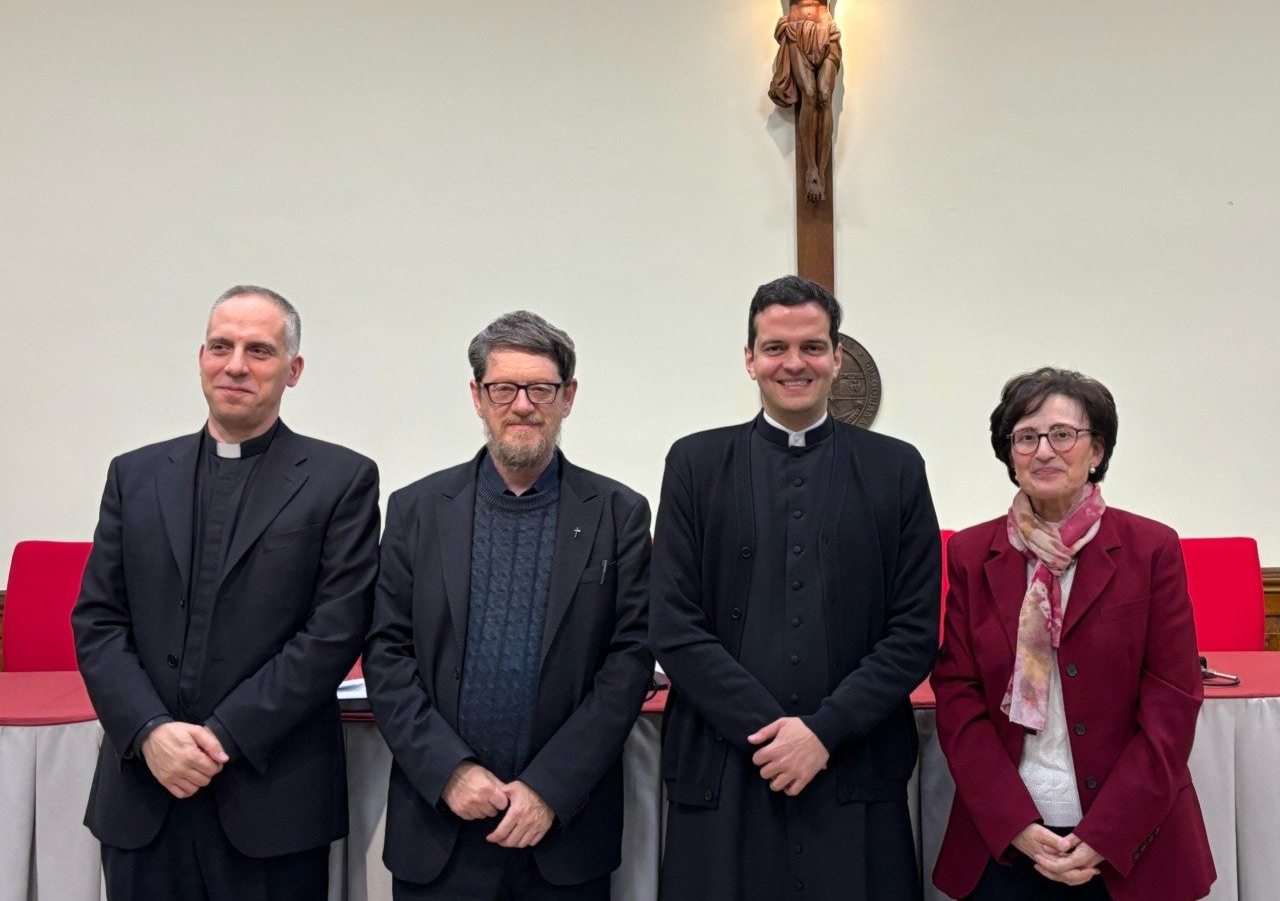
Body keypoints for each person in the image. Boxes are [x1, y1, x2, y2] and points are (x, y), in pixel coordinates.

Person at [71, 285, 380, 900]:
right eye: (221, 346)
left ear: (293, 371)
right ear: (201, 356)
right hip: (143, 792)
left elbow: (333, 632)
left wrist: (223, 737)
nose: (235, 364)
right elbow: (99, 621)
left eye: (259, 350)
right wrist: (150, 731)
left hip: (272, 796)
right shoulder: (134, 475)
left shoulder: (341, 480)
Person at [650, 275, 940, 901]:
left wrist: (822, 733)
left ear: (838, 357)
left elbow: (914, 632)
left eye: (812, 347)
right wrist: (774, 735)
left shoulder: (897, 468)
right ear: (750, 360)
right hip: (725, 767)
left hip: (854, 768)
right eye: (775, 347)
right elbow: (673, 623)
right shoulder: (694, 464)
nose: (794, 363)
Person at [364, 310, 653, 900]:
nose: (522, 404)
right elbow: (386, 654)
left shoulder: (618, 514)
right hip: (439, 826)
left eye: (540, 388)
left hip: (563, 830)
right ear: (477, 396)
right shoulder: (416, 510)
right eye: (503, 388)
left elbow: (628, 663)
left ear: (567, 397)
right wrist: (450, 772)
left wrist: (550, 787)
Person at [932, 367, 1215, 901]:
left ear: (1097, 451)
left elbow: (1172, 702)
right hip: (1006, 839)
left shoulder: (1150, 549)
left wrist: (1107, 833)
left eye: (1063, 434)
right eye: (1025, 436)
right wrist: (1011, 820)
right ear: (1009, 454)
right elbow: (958, 696)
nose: (1044, 451)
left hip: (1132, 841)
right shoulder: (972, 554)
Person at [698, 0, 918, 201]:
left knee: (826, 95)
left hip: (826, 30)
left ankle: (822, 167)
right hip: (797, 32)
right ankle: (811, 169)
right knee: (810, 93)